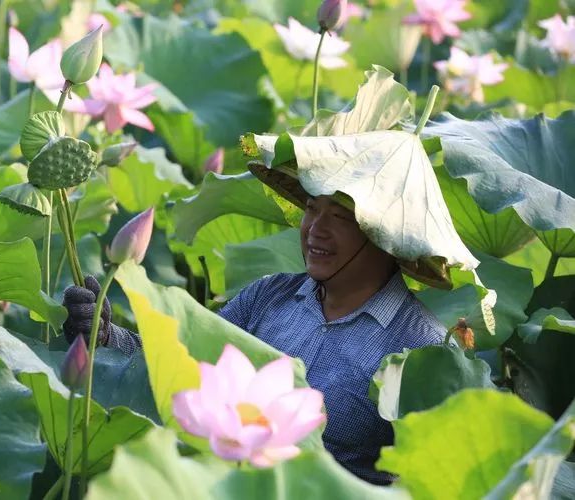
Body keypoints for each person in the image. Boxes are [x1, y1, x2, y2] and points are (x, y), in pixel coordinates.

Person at [63, 188, 448, 486]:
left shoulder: (425, 348)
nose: (315, 229)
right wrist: (106, 336)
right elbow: (188, 360)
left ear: (387, 237)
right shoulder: (267, 295)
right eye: (312, 208)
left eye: (341, 216)